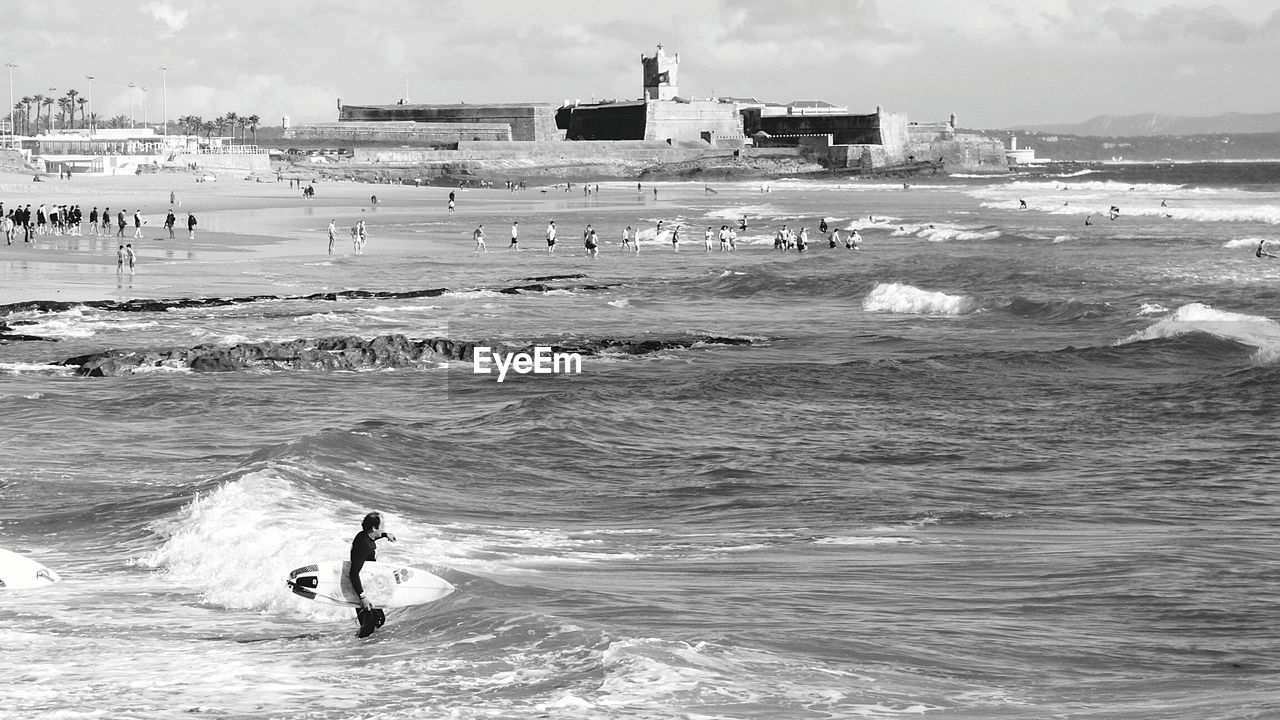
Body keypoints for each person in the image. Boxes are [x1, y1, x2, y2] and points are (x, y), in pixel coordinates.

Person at [350, 511, 397, 638]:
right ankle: (357, 649)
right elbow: (354, 573)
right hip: (361, 588)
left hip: (368, 585)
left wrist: (386, 535)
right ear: (374, 528)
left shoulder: (365, 536)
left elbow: (374, 536)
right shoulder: (364, 545)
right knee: (369, 624)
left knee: (379, 619)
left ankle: (362, 645)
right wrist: (362, 597)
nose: (383, 529)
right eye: (382, 527)